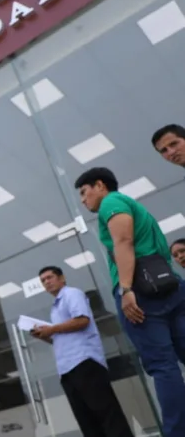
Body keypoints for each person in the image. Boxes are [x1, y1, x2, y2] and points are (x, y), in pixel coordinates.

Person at [74, 167, 185, 436]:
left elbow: (123, 240)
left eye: (84, 192)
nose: (83, 200)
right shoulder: (134, 206)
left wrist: (126, 289)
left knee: (163, 366)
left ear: (100, 185)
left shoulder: (111, 202)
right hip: (170, 286)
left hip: (141, 291)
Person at [31, 266, 132, 437]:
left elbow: (82, 320)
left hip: (84, 362)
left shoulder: (72, 294)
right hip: (67, 369)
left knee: (107, 415)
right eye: (43, 281)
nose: (46, 282)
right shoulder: (55, 308)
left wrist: (52, 329)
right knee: (87, 422)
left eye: (50, 277)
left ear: (62, 278)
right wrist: (45, 335)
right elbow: (61, 338)